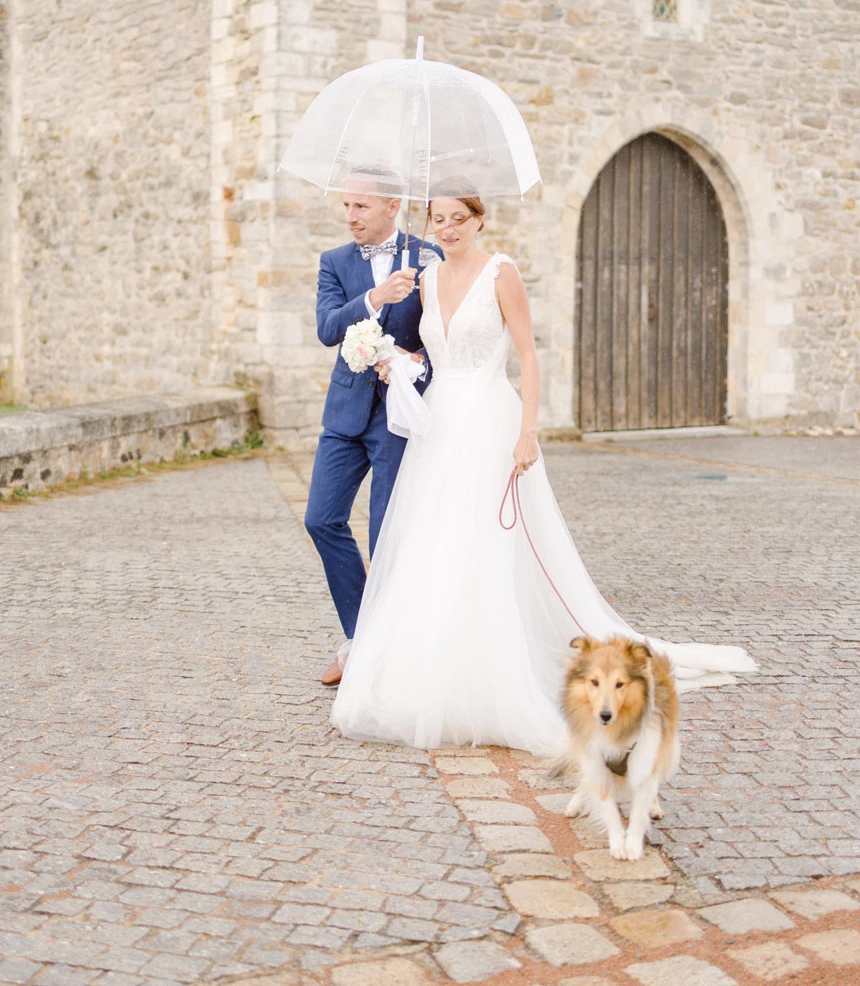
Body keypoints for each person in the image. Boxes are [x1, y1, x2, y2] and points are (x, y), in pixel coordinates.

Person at [331, 188, 757, 751]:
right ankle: (436, 663)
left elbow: (527, 355)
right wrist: (402, 361)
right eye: (439, 220)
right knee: (435, 541)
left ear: (479, 220)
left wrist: (527, 431)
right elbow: (434, 354)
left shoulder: (500, 272)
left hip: (490, 420)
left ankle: (492, 674)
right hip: (438, 426)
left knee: (484, 540)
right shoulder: (427, 279)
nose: (449, 229)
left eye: (459, 219)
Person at [305, 183, 439, 686]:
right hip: (345, 411)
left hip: (399, 416)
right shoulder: (334, 261)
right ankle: (364, 637)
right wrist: (374, 297)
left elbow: (444, 335)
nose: (350, 216)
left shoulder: (429, 256)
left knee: (385, 535)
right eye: (346, 206)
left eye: (360, 206)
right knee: (321, 519)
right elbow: (327, 327)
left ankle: (379, 654)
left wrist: (416, 364)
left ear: (391, 206)